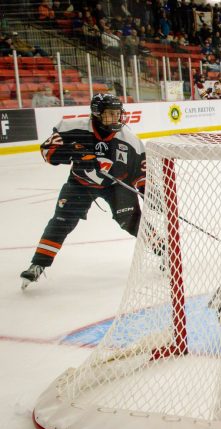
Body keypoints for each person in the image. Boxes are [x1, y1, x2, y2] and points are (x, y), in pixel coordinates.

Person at [21, 94, 147, 289]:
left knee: (132, 223)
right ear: (96, 114)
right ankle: (38, 264)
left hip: (115, 188)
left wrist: (148, 194)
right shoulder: (72, 128)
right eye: (110, 114)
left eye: (118, 113)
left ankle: (163, 249)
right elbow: (47, 151)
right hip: (80, 184)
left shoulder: (131, 141)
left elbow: (140, 174)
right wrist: (74, 152)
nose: (116, 118)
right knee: (61, 221)